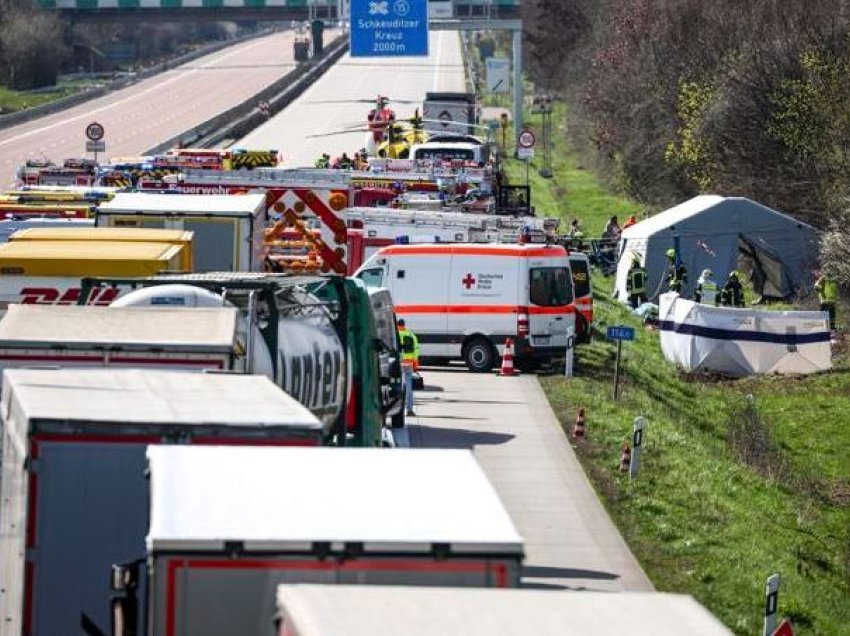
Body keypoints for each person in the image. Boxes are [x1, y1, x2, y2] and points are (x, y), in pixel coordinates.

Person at [397, 318, 420, 416]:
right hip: (409, 363)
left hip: (396, 364)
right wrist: (416, 366)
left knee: (396, 386)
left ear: (397, 325)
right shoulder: (411, 335)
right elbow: (416, 351)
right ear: (404, 325)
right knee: (409, 386)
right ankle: (409, 409)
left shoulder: (394, 335)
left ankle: (397, 409)